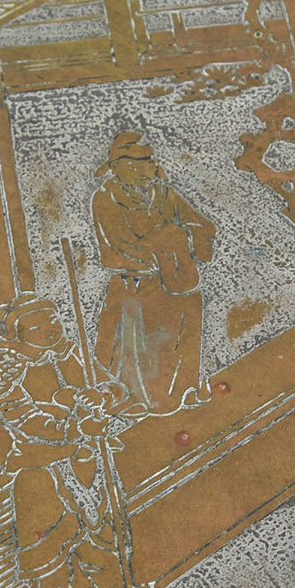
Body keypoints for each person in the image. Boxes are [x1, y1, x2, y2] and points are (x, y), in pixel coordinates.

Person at [0, 295, 156, 588]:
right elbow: (25, 421)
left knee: (106, 536)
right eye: (36, 326)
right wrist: (73, 428)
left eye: (53, 321)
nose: (49, 330)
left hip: (91, 460)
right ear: (18, 333)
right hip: (41, 470)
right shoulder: (4, 372)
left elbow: (117, 389)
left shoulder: (70, 353)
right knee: (46, 549)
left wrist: (102, 397)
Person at [91, 130, 217, 416]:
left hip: (180, 280)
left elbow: (202, 225)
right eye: (133, 165)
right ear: (116, 168)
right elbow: (111, 251)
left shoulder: (163, 193)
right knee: (138, 347)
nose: (142, 171)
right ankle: (134, 400)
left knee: (182, 335)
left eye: (146, 163)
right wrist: (155, 252)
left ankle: (183, 391)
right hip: (136, 285)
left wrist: (182, 242)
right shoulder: (105, 199)